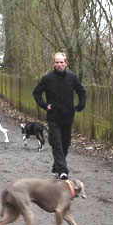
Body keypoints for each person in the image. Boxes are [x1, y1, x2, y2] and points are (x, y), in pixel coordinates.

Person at [33, 52, 86, 180]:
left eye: (61, 62)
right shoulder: (47, 78)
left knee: (66, 144)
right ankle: (63, 171)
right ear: (54, 63)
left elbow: (81, 91)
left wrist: (80, 105)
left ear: (66, 63)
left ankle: (56, 167)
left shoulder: (72, 78)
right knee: (56, 143)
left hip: (68, 116)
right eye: (57, 62)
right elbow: (37, 93)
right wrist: (45, 106)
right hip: (54, 117)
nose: (59, 65)